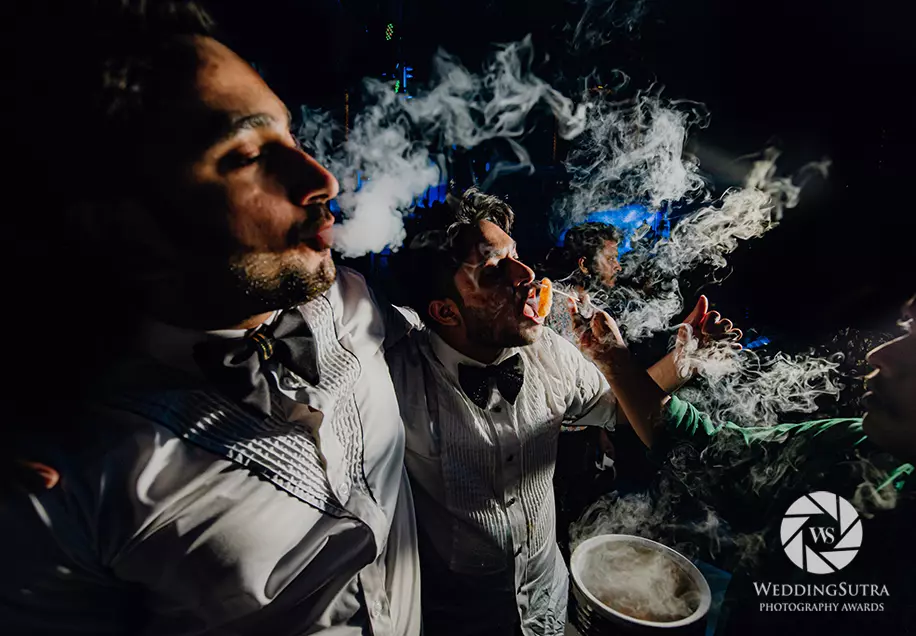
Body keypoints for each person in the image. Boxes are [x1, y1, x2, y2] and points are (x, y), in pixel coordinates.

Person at [2, 3, 419, 634]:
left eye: (292, 139)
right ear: (122, 222)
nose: (323, 180)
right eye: (246, 153)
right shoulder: (70, 477)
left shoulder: (352, 299)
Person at [383, 188, 737, 636]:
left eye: (515, 256)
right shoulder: (396, 379)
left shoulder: (551, 353)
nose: (527, 273)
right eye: (494, 270)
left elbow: (622, 409)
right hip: (457, 620)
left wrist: (684, 360)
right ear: (444, 311)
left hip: (547, 606)